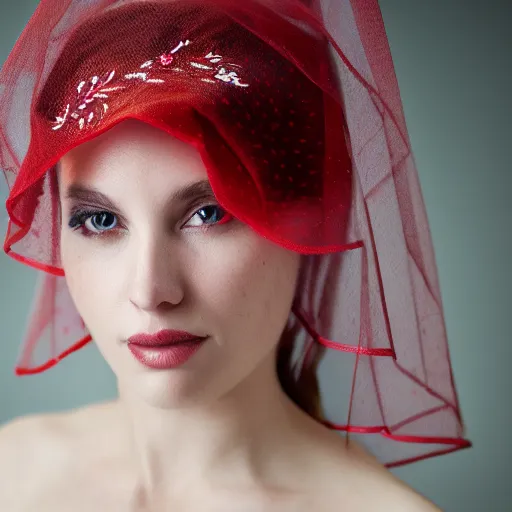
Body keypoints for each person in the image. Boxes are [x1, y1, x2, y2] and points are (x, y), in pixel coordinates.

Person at [0, 0, 470, 509]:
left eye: (210, 213)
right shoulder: (13, 470)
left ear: (312, 219)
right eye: (100, 220)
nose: (150, 292)